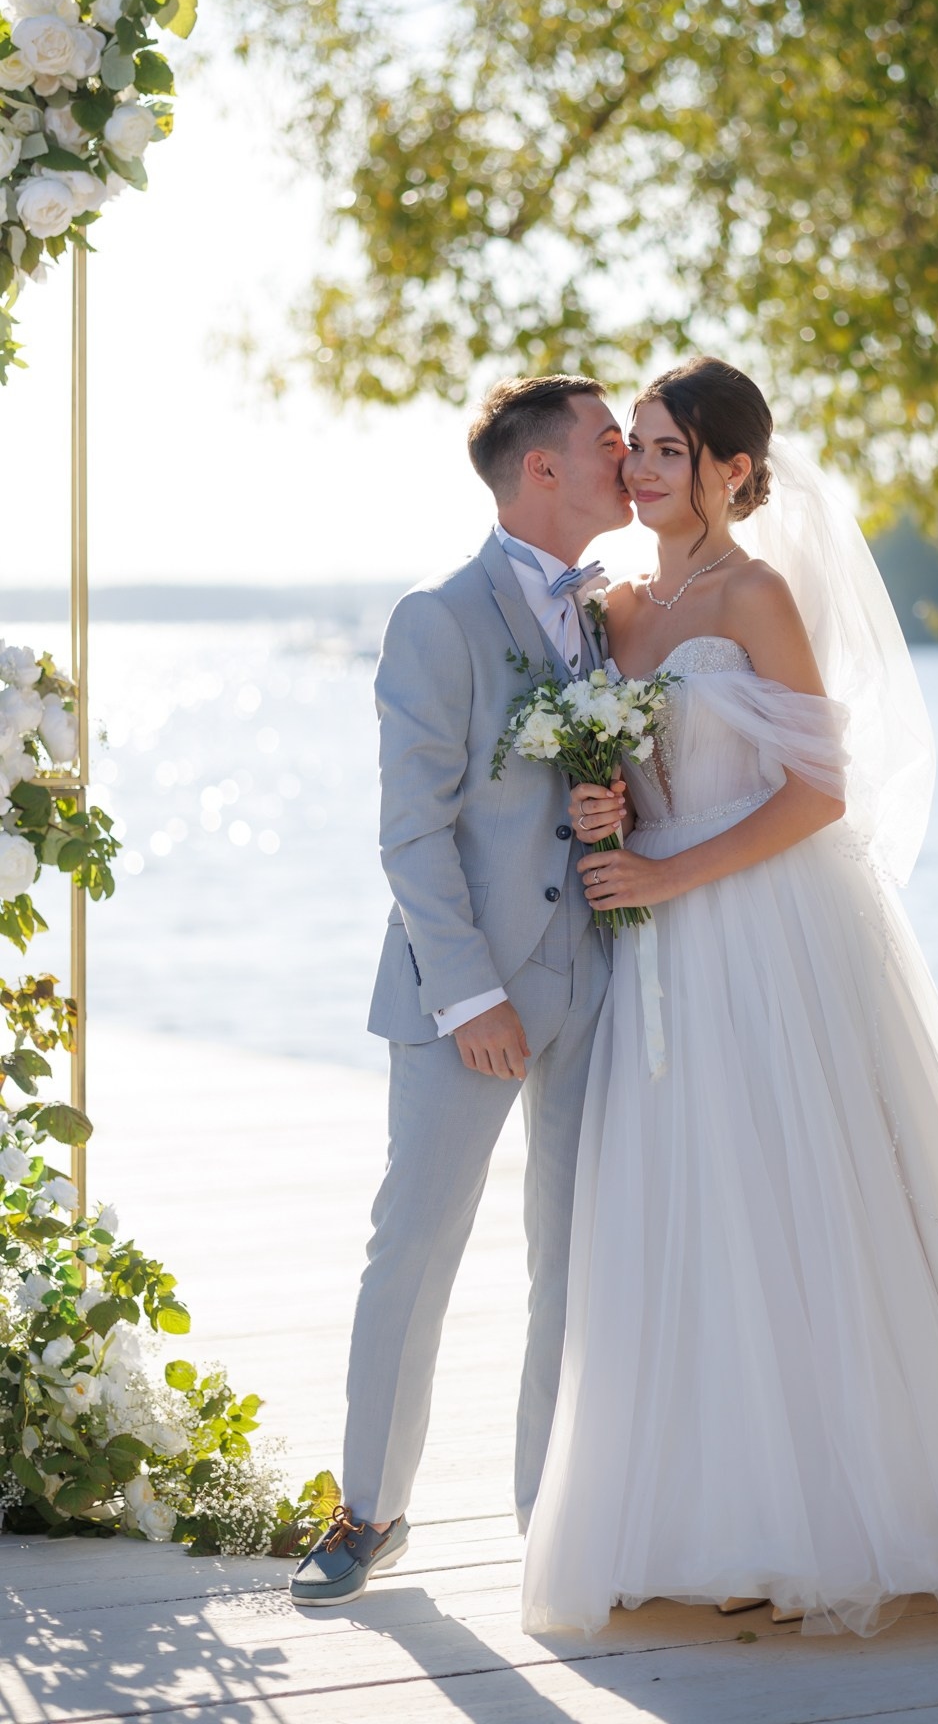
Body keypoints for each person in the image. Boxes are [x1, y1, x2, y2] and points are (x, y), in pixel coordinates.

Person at [521, 356, 938, 1638]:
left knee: (806, 1203)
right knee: (692, 1211)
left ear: (733, 470)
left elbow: (818, 793)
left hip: (772, 932)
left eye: (667, 448)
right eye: (632, 444)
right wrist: (605, 808)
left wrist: (671, 868)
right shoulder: (616, 607)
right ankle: (709, 1517)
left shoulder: (758, 594)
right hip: (662, 949)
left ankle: (861, 1515)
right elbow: (635, 771)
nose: (638, 467)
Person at [291, 374, 633, 1606]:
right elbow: (410, 834)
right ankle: (367, 1510)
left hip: (594, 976)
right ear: (540, 469)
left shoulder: (608, 618)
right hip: (463, 998)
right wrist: (469, 996)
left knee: (573, 1257)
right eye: (605, 442)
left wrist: (612, 807)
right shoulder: (436, 618)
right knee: (416, 1248)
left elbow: (590, 793)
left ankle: (550, 1514)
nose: (627, 458)